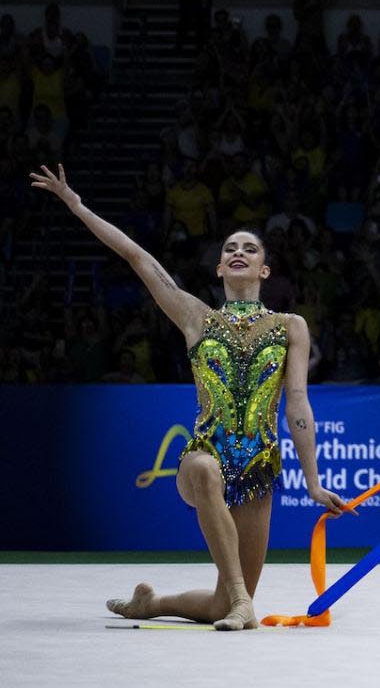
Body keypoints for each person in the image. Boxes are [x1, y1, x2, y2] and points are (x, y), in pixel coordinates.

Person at [29, 164, 349, 628]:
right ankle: (243, 603)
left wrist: (314, 483)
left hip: (259, 468)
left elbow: (297, 402)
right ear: (220, 267)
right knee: (203, 470)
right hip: (203, 457)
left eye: (250, 248)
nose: (238, 252)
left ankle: (154, 604)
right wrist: (78, 206)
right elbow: (138, 257)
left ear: (265, 268)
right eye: (230, 248)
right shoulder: (196, 316)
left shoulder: (289, 327)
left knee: (220, 604)